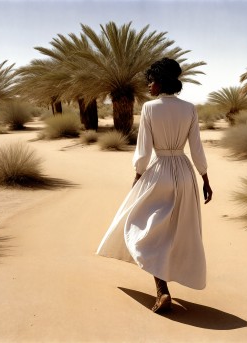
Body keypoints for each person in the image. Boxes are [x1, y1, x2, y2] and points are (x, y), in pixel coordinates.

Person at [96, 57, 213, 313]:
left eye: (150, 81)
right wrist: (205, 178)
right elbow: (196, 148)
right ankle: (164, 286)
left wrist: (138, 177)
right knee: (177, 231)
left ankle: (162, 290)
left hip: (159, 172)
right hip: (184, 173)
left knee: (143, 227)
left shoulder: (150, 109)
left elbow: (143, 151)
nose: (148, 86)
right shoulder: (190, 109)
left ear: (160, 82)